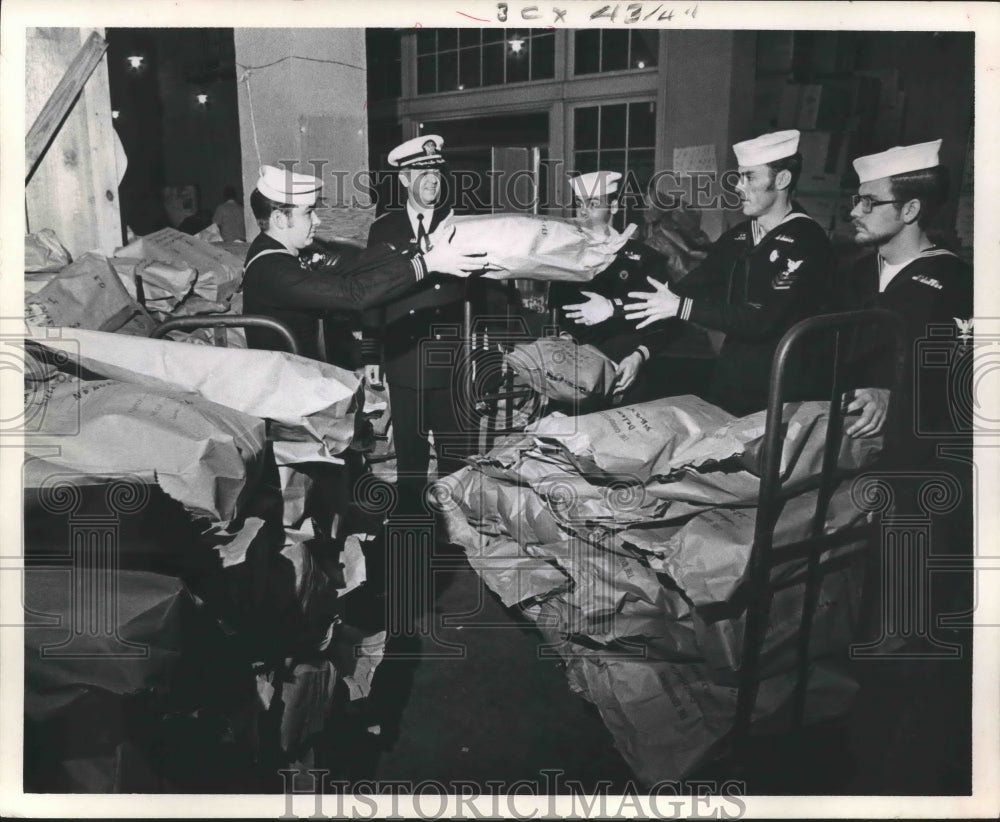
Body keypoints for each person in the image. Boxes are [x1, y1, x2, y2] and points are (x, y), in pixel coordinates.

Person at [622, 129, 833, 416]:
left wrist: (681, 307)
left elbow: (760, 319)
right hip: (732, 385)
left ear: (782, 180)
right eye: (739, 176)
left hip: (783, 394)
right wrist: (639, 351)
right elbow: (683, 294)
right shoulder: (740, 236)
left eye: (750, 177)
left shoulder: (807, 240)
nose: (738, 186)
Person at [242, 163, 489, 360]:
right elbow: (354, 294)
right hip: (288, 389)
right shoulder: (273, 270)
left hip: (305, 373)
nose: (317, 220)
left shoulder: (293, 254)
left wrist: (420, 246)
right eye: (308, 213)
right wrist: (425, 265)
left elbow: (356, 263)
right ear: (279, 219)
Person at [363, 135, 478, 516]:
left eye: (436, 171)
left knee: (455, 450)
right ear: (403, 179)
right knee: (410, 454)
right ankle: (412, 520)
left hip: (450, 357)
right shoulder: (384, 230)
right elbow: (372, 294)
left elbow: (486, 288)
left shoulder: (459, 224)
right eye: (422, 171)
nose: (432, 179)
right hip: (403, 353)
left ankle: (456, 526)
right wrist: (371, 352)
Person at [837, 139, 972, 448]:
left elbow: (962, 382)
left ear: (910, 209)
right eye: (857, 200)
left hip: (916, 449)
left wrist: (893, 396)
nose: (855, 211)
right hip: (845, 440)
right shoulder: (856, 272)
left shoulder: (957, 282)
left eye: (870, 201)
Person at [550, 171, 685, 404]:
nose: (583, 212)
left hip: (627, 371)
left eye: (592, 204)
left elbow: (667, 323)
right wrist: (565, 340)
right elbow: (557, 316)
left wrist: (639, 356)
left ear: (613, 207)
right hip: (577, 374)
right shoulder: (567, 259)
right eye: (579, 204)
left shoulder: (645, 258)